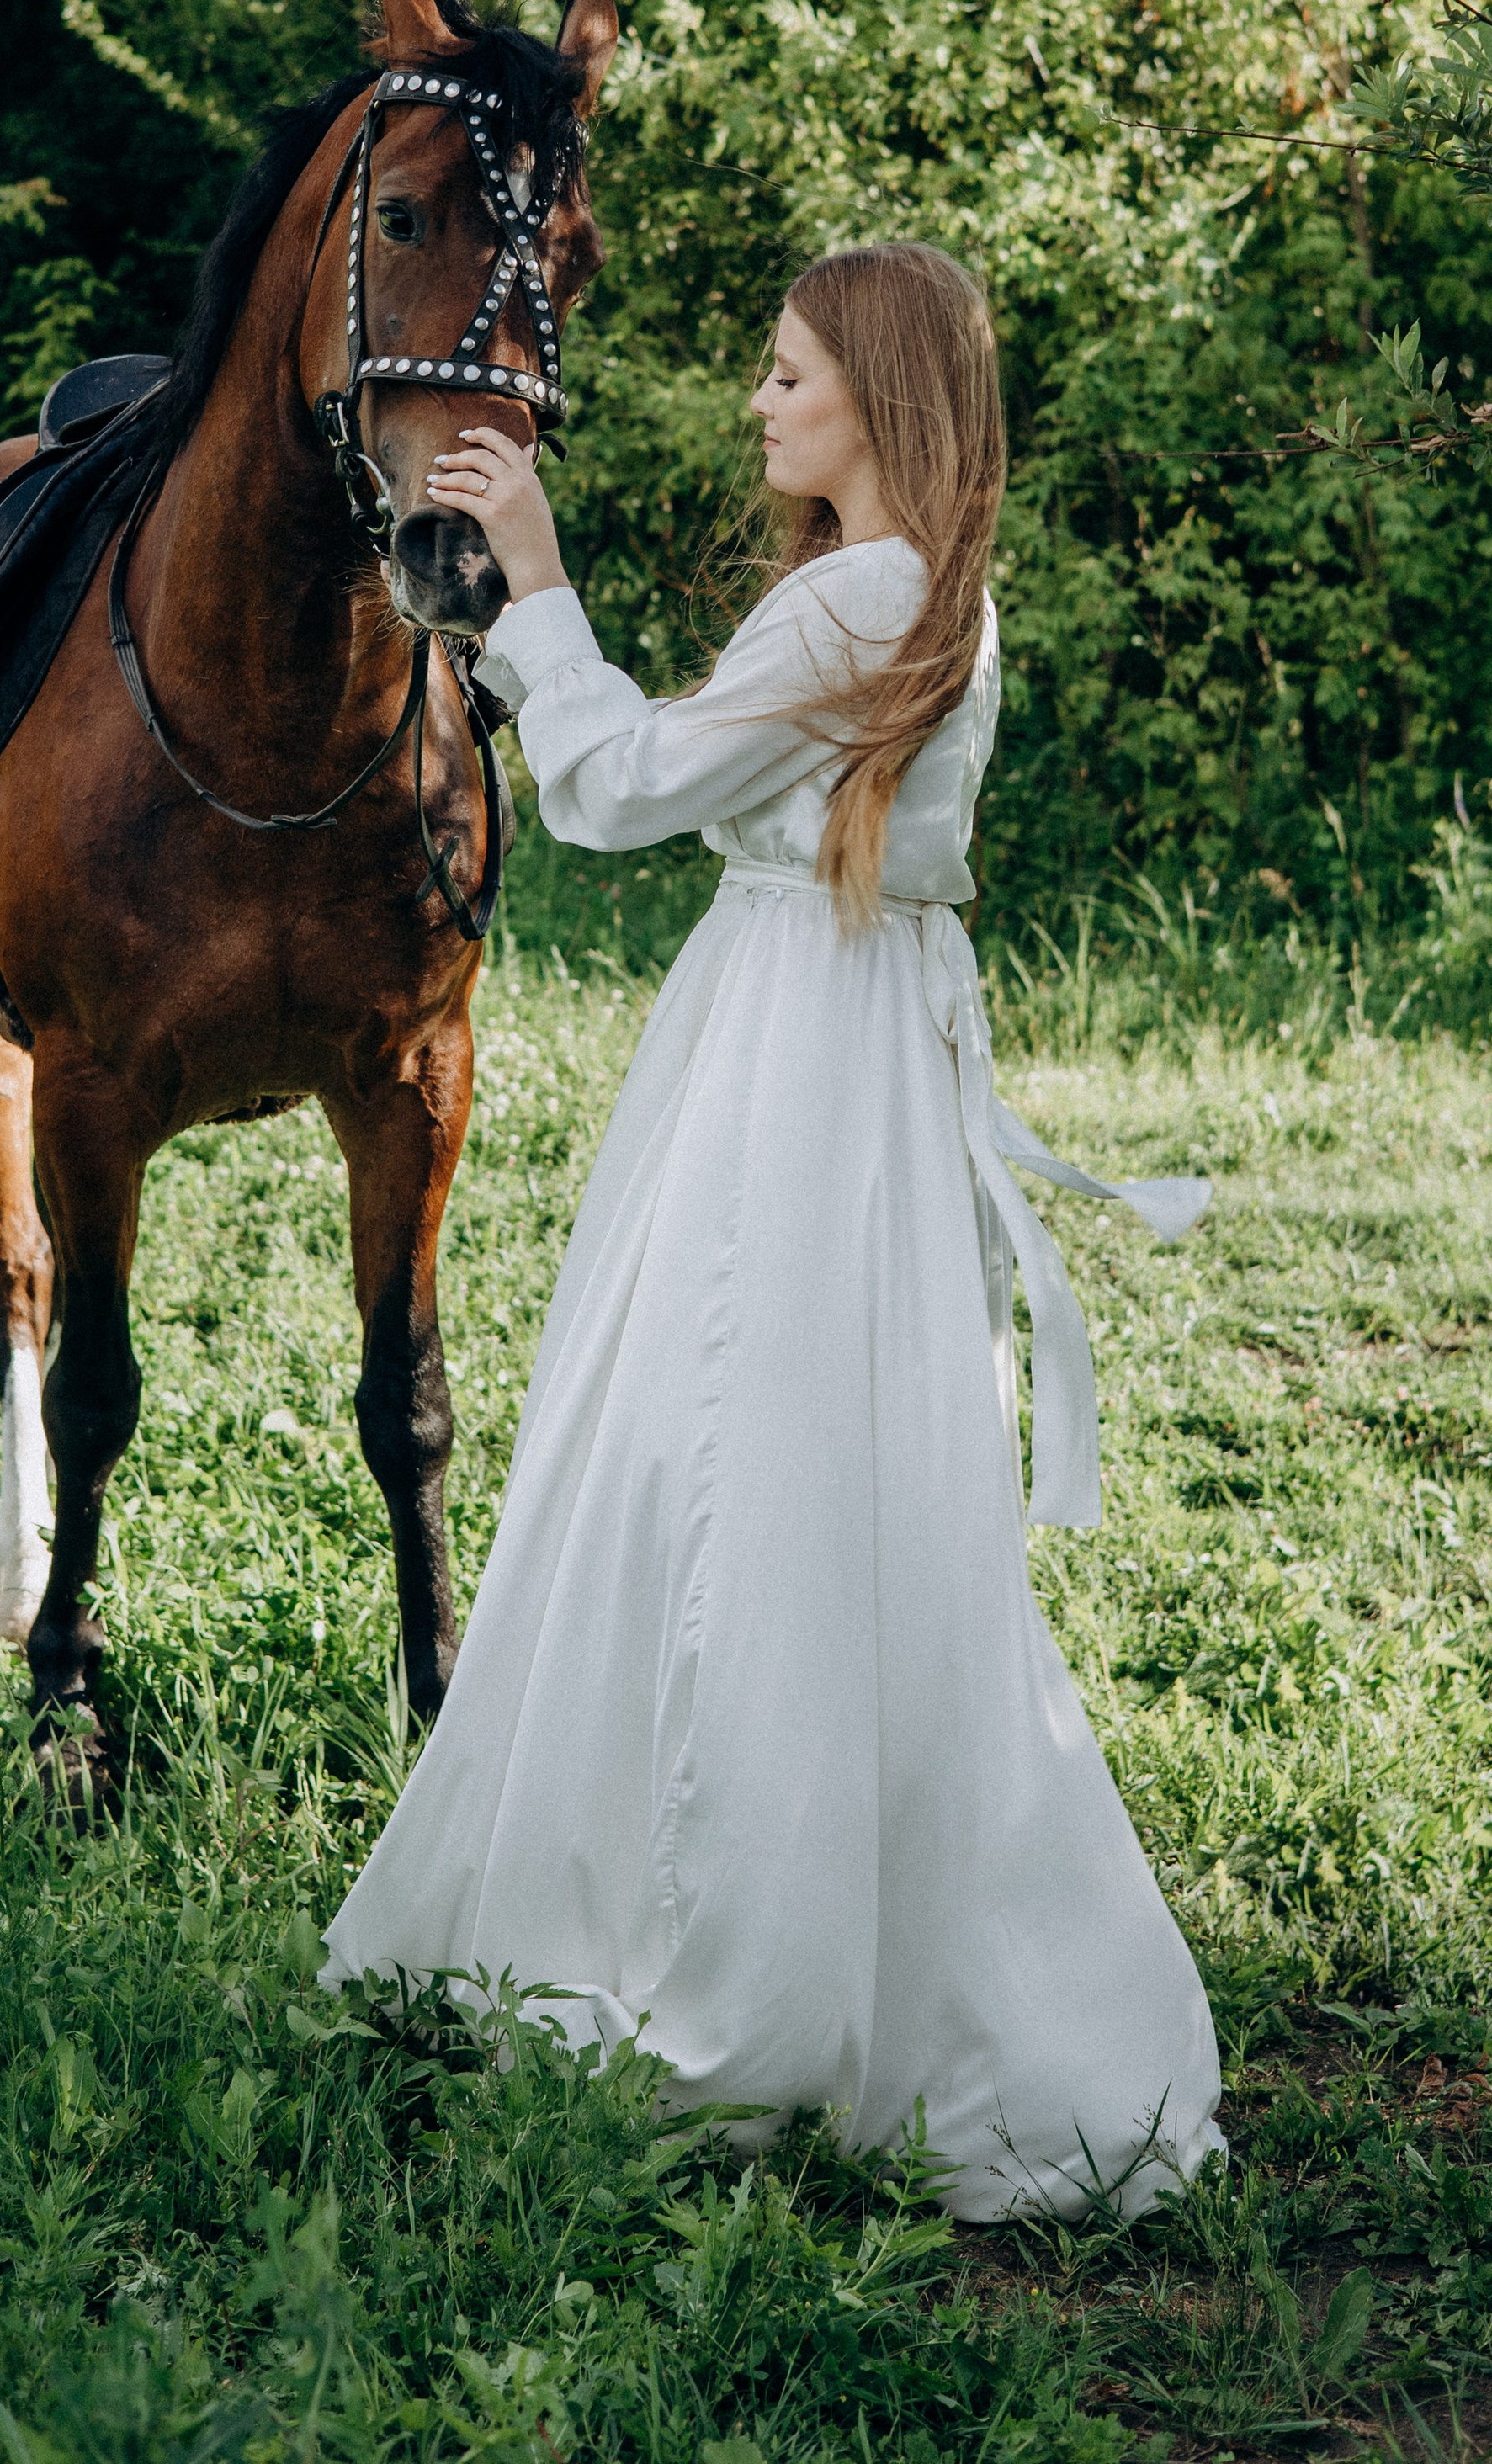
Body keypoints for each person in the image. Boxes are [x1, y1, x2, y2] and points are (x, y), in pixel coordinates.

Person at [321, 241, 1225, 2222]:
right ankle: (810, 1922)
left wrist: (536, 584)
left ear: (879, 400)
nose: (759, 399)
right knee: (814, 1478)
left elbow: (621, 793)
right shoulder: (920, 596)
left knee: (721, 1464)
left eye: (792, 372)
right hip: (836, 1040)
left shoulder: (858, 595)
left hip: (796, 1067)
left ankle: (739, 1974)